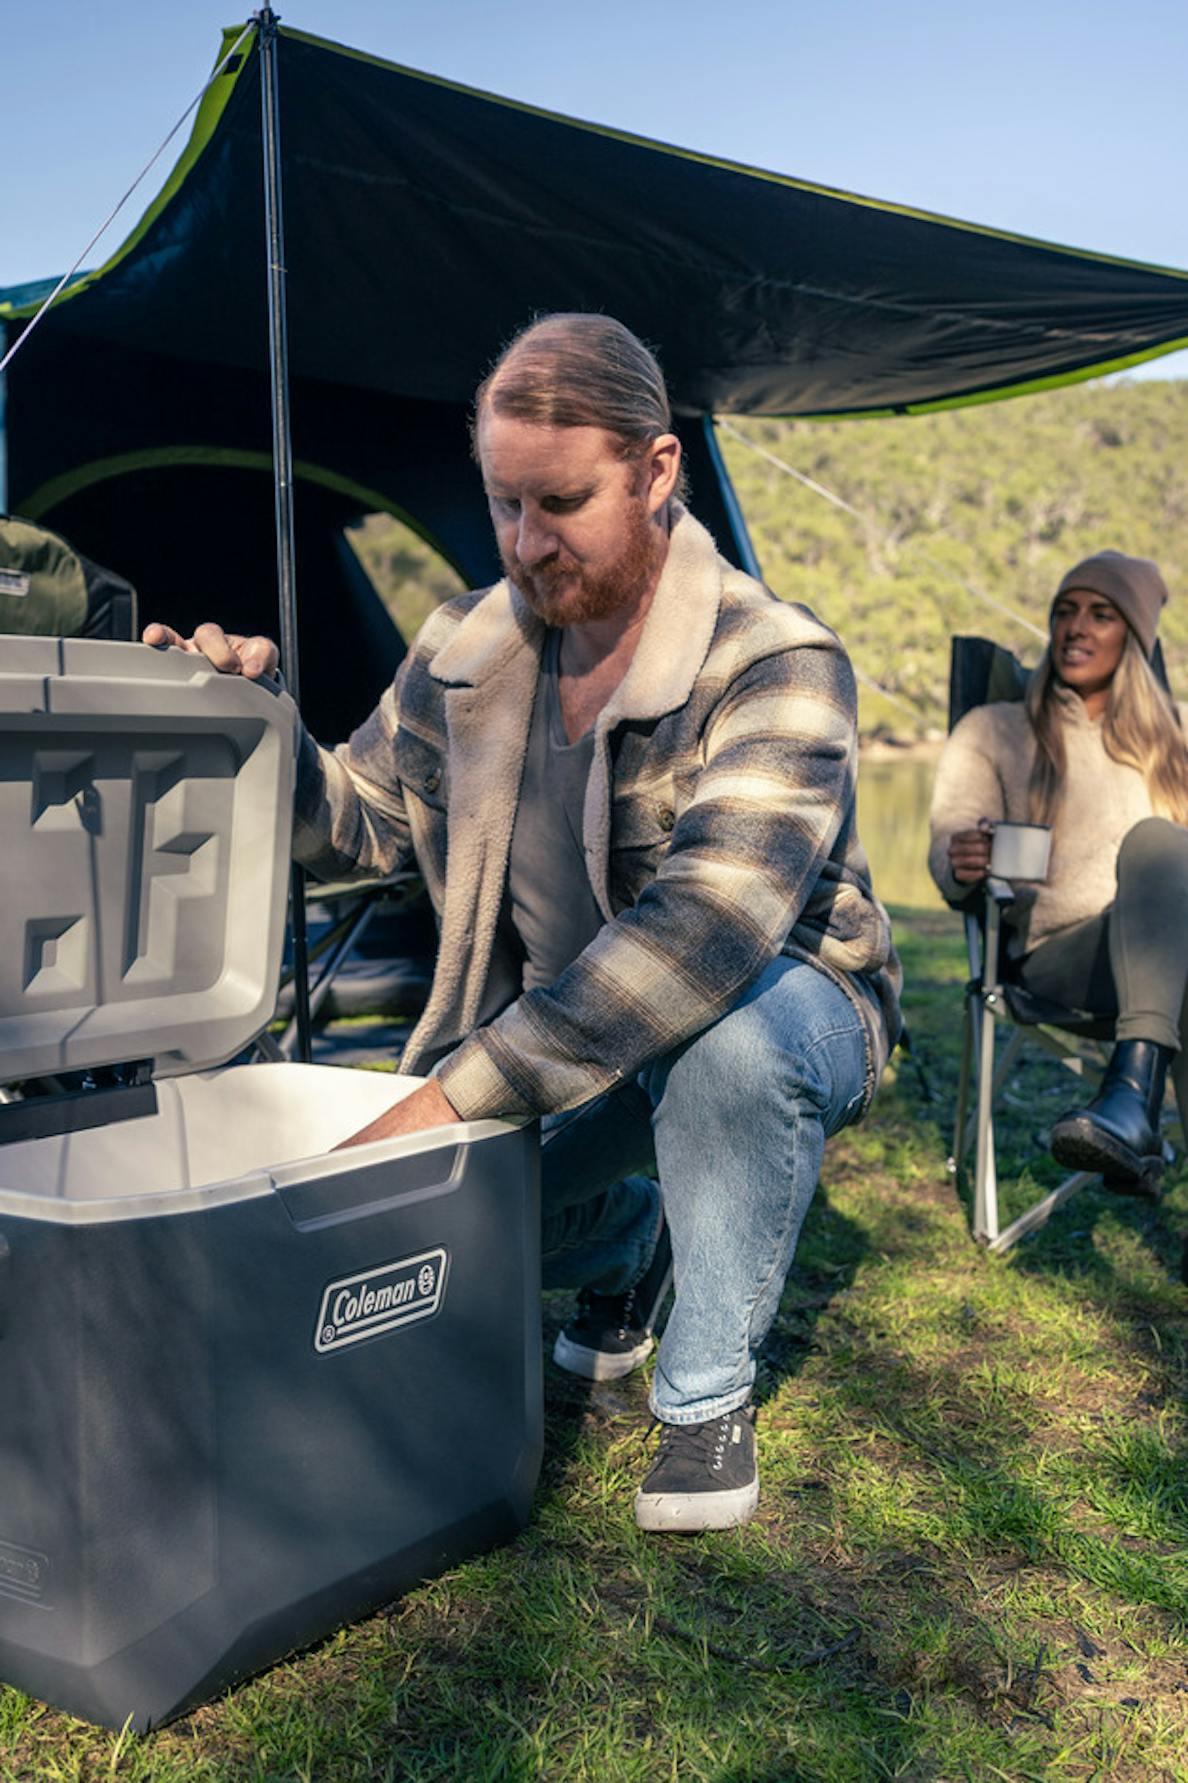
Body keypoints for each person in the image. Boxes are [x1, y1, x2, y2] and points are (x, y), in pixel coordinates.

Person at [144, 313, 901, 1533]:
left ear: (657, 473)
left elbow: (702, 936)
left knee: (731, 1050)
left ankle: (704, 1394)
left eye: (561, 503)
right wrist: (259, 728)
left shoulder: (776, 661)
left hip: (779, 998)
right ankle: (629, 1250)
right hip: (563, 1031)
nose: (525, 544)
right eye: (501, 504)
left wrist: (449, 1095)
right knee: (430, 1233)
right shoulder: (463, 646)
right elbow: (360, 825)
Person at [929, 550, 1188, 1197]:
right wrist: (962, 858)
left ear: (1132, 638)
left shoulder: (1172, 750)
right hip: (1059, 956)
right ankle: (1132, 1100)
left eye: (1101, 614)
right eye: (1065, 611)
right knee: (1160, 842)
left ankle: (1133, 1112)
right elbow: (948, 840)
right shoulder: (994, 730)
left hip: (1169, 966)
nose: (1076, 626)